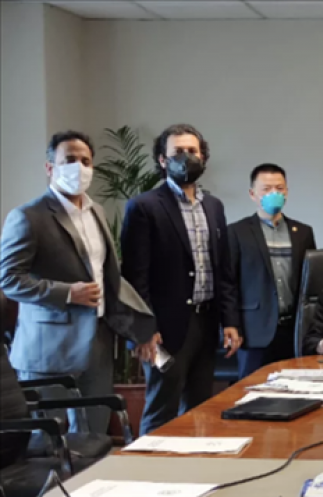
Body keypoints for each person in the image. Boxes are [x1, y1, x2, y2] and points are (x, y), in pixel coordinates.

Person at [0, 131, 156, 434]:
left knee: (94, 437)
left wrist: (140, 328)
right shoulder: (28, 216)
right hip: (49, 349)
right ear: (50, 168)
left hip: (97, 341)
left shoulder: (97, 211)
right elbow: (9, 279)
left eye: (86, 161)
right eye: (70, 160)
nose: (79, 167)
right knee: (50, 442)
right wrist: (68, 293)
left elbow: (109, 278)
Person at [121, 123, 241, 435]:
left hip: (206, 324)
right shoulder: (144, 207)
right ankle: (150, 465)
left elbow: (223, 269)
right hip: (163, 331)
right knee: (162, 409)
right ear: (162, 160)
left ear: (203, 158)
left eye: (192, 151)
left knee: (200, 410)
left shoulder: (213, 206)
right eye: (177, 152)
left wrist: (230, 321)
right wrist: (144, 331)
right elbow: (134, 277)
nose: (186, 157)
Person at [229, 164, 316, 379]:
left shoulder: (303, 232)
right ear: (253, 194)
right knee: (252, 388)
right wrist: (231, 324)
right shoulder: (237, 232)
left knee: (296, 387)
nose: (274, 194)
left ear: (287, 192)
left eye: (279, 188)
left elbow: (311, 280)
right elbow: (228, 283)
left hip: (293, 329)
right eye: (266, 189)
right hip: (254, 330)